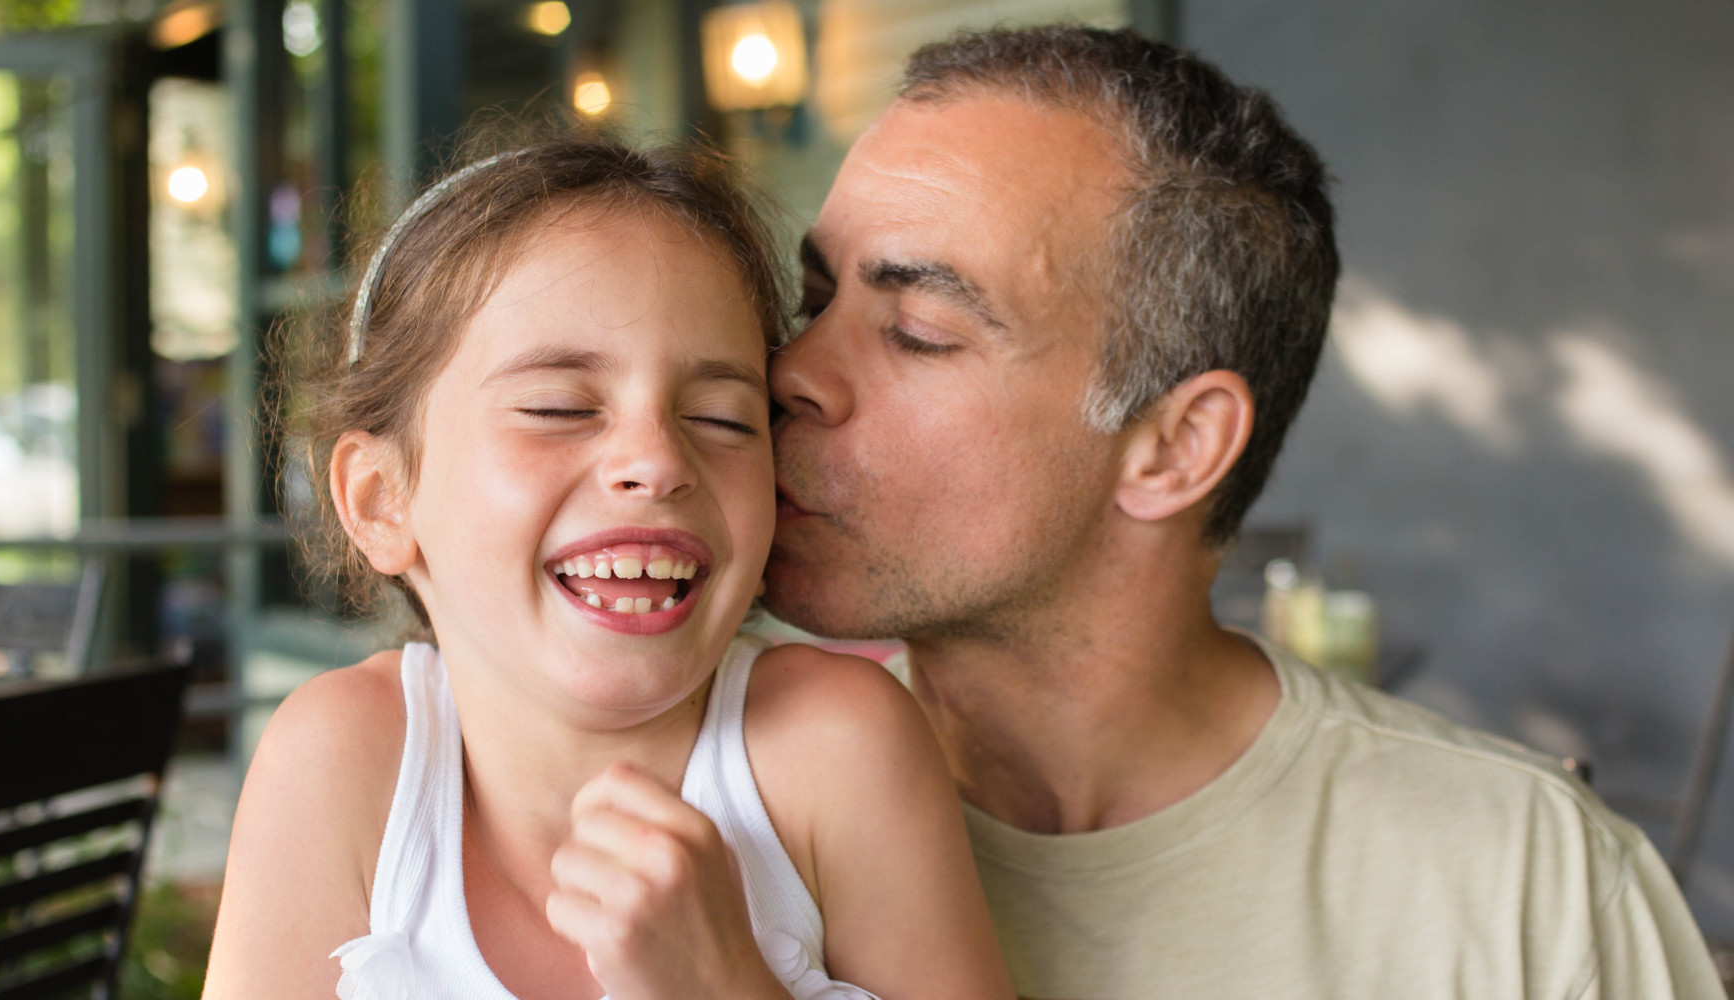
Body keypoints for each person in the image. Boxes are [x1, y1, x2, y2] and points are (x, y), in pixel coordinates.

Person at [766, 24, 1726, 1000]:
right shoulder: (704, 824)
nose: (790, 372)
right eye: (811, 300)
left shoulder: (1529, 893)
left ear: (1174, 446)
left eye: (918, 333)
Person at [201, 134, 1012, 1000]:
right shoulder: (339, 761)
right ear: (380, 500)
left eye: (724, 418)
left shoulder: (835, 748)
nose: (657, 460)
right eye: (558, 407)